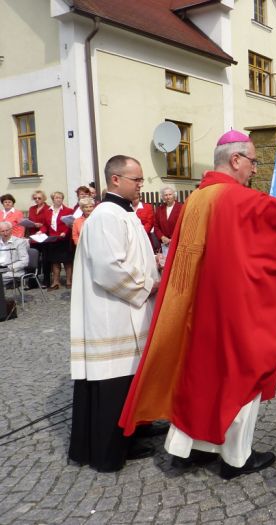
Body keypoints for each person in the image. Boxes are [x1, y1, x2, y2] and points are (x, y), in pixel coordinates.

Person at [119, 129, 276, 480]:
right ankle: (235, 457)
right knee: (245, 372)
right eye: (251, 162)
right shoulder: (233, 198)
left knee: (199, 376)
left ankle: (191, 448)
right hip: (231, 309)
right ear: (235, 160)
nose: (253, 170)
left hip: (198, 308)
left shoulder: (199, 198)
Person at [69, 155, 161, 473]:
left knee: (128, 382)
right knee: (114, 384)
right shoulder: (107, 216)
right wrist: (150, 285)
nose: (141, 185)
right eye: (136, 180)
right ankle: (110, 450)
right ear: (116, 180)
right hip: (112, 317)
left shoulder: (124, 214)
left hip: (126, 312)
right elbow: (109, 270)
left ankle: (131, 434)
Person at [46, 191, 73, 289]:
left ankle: (69, 281)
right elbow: (46, 226)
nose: (58, 199)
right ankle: (56, 282)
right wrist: (40, 231)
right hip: (53, 239)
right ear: (53, 199)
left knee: (67, 262)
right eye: (56, 198)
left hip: (64, 239)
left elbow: (69, 224)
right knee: (55, 262)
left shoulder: (69, 210)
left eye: (60, 198)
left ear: (62, 199)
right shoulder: (48, 211)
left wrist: (65, 232)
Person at [154, 186, 182, 256]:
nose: (168, 197)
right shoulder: (159, 209)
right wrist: (162, 237)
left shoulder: (181, 208)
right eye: (165, 195)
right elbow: (156, 226)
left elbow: (184, 225)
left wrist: (173, 239)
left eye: (170, 194)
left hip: (178, 243)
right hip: (165, 244)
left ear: (174, 195)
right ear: (163, 197)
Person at [0, 221, 29, 288]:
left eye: (7, 230)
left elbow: (24, 261)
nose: (5, 233)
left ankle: (2, 298)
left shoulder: (20, 242)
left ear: (11, 230)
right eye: (2, 231)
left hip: (12, 271)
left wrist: (8, 268)